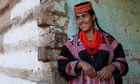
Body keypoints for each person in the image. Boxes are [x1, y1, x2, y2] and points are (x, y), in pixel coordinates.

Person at [57, 1, 128, 84]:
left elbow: (123, 64)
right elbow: (61, 66)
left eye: (84, 16)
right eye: (78, 17)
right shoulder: (71, 43)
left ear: (93, 17)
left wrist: (112, 67)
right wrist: (80, 64)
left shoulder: (110, 41)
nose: (81, 21)